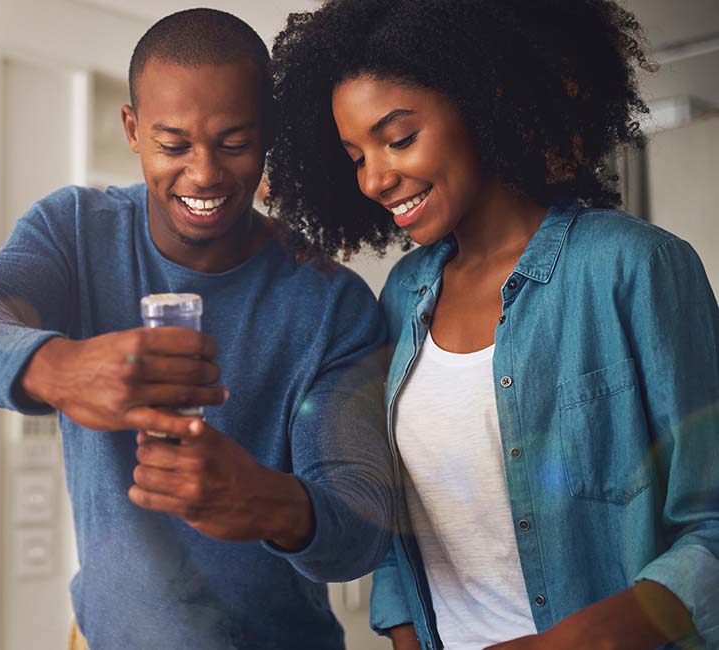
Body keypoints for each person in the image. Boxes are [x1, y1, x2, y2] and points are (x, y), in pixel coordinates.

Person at [267, 0, 719, 648]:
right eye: (355, 155)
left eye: (398, 139)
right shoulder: (401, 296)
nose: (374, 178)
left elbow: (712, 526)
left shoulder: (634, 269)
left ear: (483, 99)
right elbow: (400, 520)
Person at [0, 8, 394, 650]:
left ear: (269, 135)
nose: (203, 174)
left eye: (233, 143)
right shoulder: (75, 232)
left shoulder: (330, 304)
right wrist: (57, 368)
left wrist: (270, 502)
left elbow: (362, 528)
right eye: (173, 145)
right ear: (133, 130)